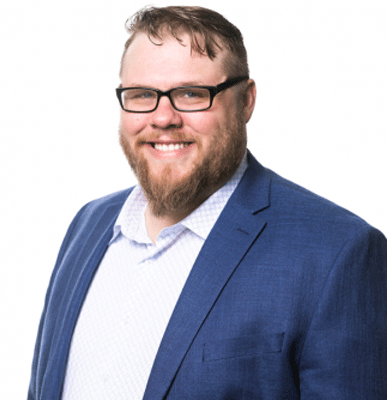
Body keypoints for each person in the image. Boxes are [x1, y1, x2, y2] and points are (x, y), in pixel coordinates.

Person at [28, 6, 387, 400]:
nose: (163, 118)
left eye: (191, 94)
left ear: (246, 101)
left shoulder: (338, 253)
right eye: (142, 94)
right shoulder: (88, 225)